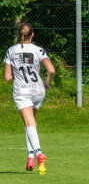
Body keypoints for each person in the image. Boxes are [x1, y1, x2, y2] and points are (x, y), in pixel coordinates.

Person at [3, 23, 55, 174]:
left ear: (19, 35)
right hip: (38, 90)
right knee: (30, 125)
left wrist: (15, 74)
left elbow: (7, 77)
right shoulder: (38, 50)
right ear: (33, 34)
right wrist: (48, 82)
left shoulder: (11, 51)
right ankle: (30, 158)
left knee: (29, 123)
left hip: (22, 91)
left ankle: (39, 154)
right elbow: (51, 70)